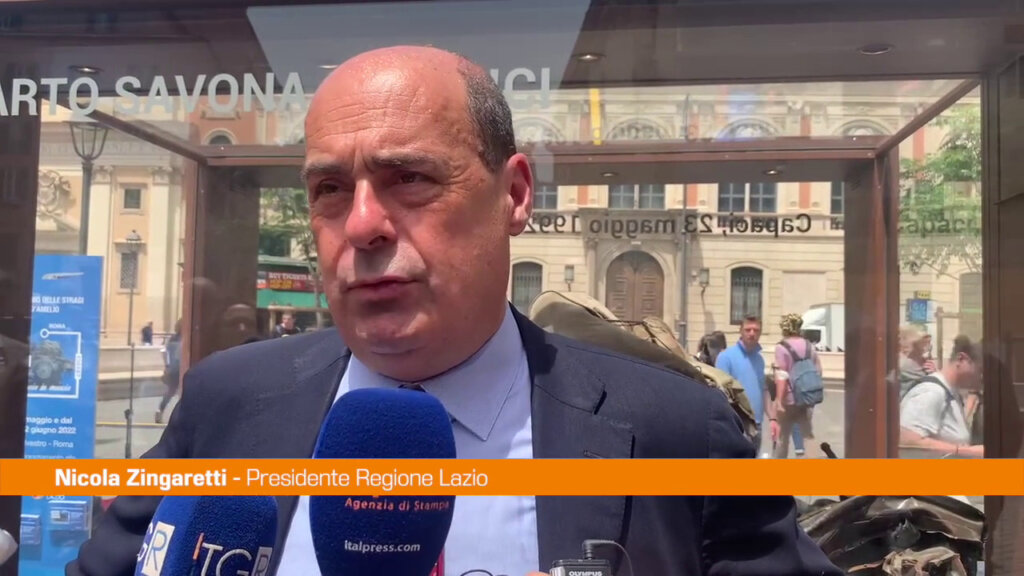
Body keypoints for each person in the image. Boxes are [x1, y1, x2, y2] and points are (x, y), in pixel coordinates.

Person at [67, 46, 839, 576]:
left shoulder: (676, 430)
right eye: (330, 189)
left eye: (409, 178)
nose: (362, 225)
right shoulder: (226, 402)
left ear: (515, 194)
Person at [899, 334, 984, 458]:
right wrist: (967, 451)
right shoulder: (931, 392)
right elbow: (907, 441)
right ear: (961, 359)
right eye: (980, 370)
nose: (981, 377)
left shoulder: (951, 392)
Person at [715, 316, 773, 452]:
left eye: (756, 330)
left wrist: (773, 418)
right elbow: (719, 394)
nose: (752, 333)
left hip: (757, 424)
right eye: (748, 330)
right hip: (737, 424)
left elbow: (763, 390)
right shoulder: (726, 357)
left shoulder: (759, 359)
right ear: (740, 331)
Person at [772, 313, 825, 459]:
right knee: (807, 434)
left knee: (783, 436)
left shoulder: (781, 347)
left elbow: (782, 375)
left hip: (788, 399)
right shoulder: (809, 345)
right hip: (805, 397)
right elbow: (818, 370)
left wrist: (779, 401)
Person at [155, 319, 182, 424]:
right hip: (180, 368)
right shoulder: (184, 339)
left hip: (172, 369)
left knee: (170, 392)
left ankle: (160, 410)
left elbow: (166, 353)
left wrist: (167, 367)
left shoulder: (172, 339)